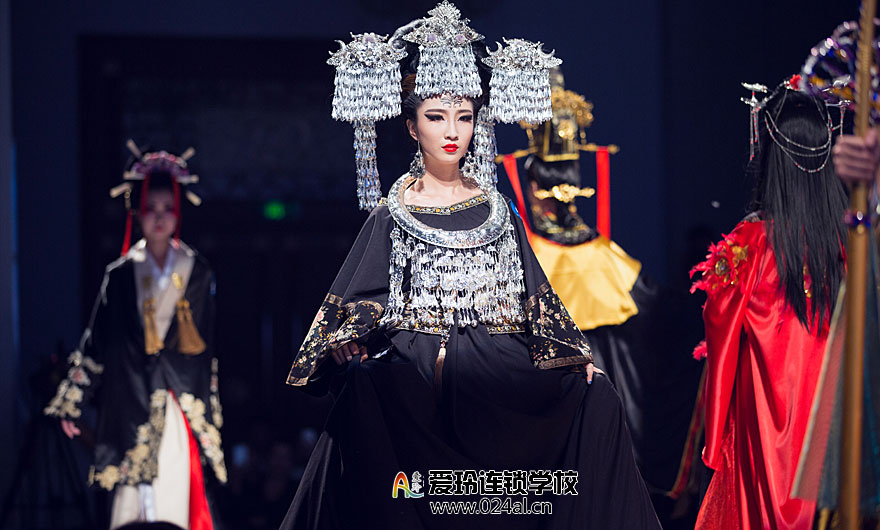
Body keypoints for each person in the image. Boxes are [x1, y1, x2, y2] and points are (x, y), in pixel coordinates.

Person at [280, 3, 660, 529]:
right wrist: (350, 340)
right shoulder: (394, 212)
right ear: (411, 126)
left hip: (495, 354)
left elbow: (533, 296)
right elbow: (362, 297)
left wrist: (575, 359)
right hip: (416, 357)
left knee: (596, 396)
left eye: (464, 116)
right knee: (367, 389)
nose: (451, 131)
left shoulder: (497, 209)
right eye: (436, 116)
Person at [44, 143, 226, 530]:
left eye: (167, 208)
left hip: (176, 399)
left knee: (173, 490)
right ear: (138, 212)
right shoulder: (121, 274)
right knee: (135, 498)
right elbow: (97, 342)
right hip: (130, 394)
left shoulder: (197, 270)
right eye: (151, 208)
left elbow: (205, 348)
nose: (159, 217)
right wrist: (73, 400)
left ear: (178, 212)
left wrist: (206, 406)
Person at [691, 83, 847, 529]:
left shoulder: (749, 246)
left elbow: (720, 342)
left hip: (764, 421)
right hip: (834, 422)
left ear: (770, 160)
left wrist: (714, 434)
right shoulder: (850, 248)